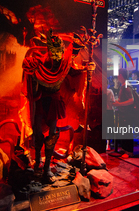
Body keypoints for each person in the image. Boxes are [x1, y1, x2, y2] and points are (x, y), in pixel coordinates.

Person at [21, 29, 94, 183]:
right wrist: (30, 68)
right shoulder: (40, 61)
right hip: (40, 100)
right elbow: (31, 78)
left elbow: (75, 72)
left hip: (54, 101)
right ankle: (38, 165)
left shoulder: (65, 63)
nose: (56, 56)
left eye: (58, 52)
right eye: (53, 52)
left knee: (52, 135)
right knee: (38, 134)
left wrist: (88, 69)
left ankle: (46, 168)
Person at [112, 68, 135, 158]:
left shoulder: (126, 86)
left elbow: (131, 100)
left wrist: (119, 103)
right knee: (124, 131)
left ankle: (129, 151)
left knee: (127, 132)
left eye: (118, 75)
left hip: (127, 114)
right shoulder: (124, 85)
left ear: (121, 76)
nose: (117, 77)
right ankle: (125, 149)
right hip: (123, 113)